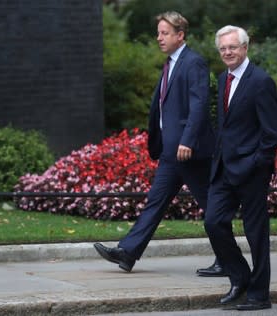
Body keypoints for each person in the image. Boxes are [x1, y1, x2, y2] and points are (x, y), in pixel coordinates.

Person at [94, 11, 218, 273]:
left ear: (180, 35)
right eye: (159, 33)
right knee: (156, 202)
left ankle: (228, 260)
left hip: (189, 151)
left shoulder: (192, 62)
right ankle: (127, 253)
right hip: (171, 152)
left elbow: (199, 105)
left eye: (165, 33)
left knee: (212, 207)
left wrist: (188, 141)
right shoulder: (171, 64)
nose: (159, 38)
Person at [204, 25, 277, 311]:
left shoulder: (261, 81)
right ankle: (240, 277)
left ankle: (259, 295)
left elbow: (271, 132)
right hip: (224, 169)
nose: (227, 52)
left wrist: (256, 163)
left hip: (252, 171)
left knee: (256, 234)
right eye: (223, 48)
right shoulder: (223, 78)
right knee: (213, 222)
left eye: (232, 47)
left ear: (245, 47)